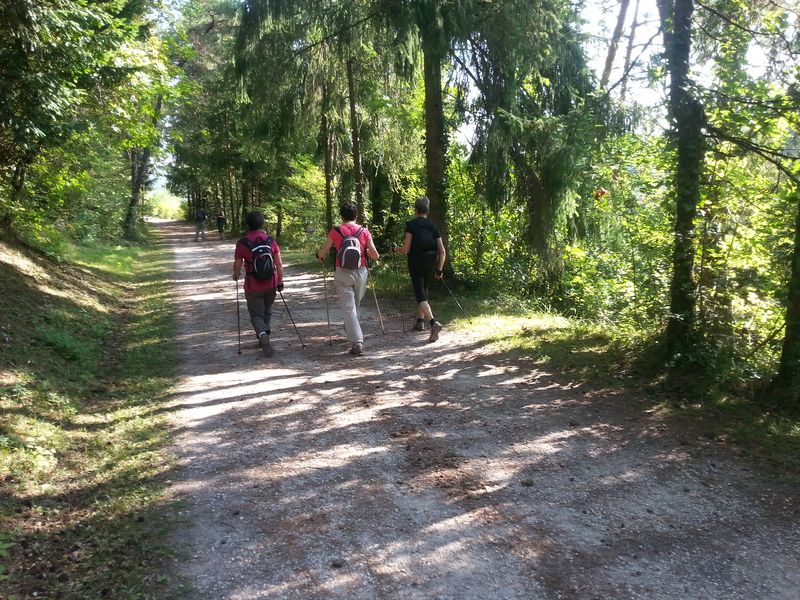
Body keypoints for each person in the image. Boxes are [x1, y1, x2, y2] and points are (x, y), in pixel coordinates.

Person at [316, 202, 380, 356]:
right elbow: (375, 255)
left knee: (349, 307)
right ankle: (353, 333)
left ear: (342, 216)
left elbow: (323, 252)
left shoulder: (336, 231)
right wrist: (366, 253)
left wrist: (319, 256)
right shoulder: (364, 231)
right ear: (356, 215)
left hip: (342, 271)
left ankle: (357, 341)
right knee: (354, 304)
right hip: (361, 271)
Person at [393, 196, 446, 342]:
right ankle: (420, 322)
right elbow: (442, 251)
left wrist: (394, 249)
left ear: (415, 210)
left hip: (416, 262)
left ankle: (432, 323)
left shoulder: (411, 225)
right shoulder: (433, 226)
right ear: (427, 211)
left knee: (420, 295)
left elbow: (406, 249)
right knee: (424, 291)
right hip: (431, 261)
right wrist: (439, 269)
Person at [233, 211, 284, 357]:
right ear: (262, 223)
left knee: (256, 314)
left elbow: (237, 264)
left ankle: (262, 335)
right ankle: (264, 334)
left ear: (247, 225)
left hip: (252, 284)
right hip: (271, 282)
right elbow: (279, 264)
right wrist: (280, 282)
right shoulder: (270, 240)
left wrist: (236, 275)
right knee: (267, 310)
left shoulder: (242, 243)